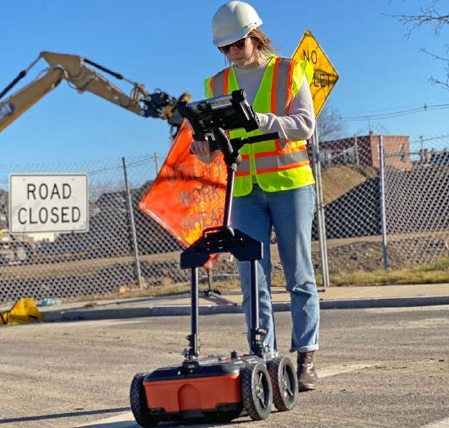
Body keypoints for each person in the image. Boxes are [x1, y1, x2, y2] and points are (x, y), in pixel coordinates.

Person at [191, 0, 321, 391]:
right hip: (244, 188)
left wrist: (263, 121)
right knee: (252, 278)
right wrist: (207, 148)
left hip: (290, 185)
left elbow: (305, 127)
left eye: (238, 45)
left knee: (298, 274)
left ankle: (306, 357)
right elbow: (216, 140)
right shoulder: (215, 85)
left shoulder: (288, 70)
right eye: (225, 48)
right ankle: (265, 357)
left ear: (255, 37)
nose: (232, 53)